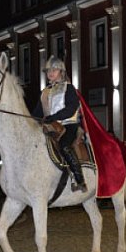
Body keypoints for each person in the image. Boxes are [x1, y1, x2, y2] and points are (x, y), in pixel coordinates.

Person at [33, 56, 86, 192]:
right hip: (50, 126)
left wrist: (54, 117)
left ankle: (79, 178)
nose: (50, 73)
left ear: (61, 72)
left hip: (68, 125)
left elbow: (71, 108)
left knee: (64, 145)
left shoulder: (69, 88)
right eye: (48, 70)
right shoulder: (45, 92)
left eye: (54, 70)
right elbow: (37, 113)